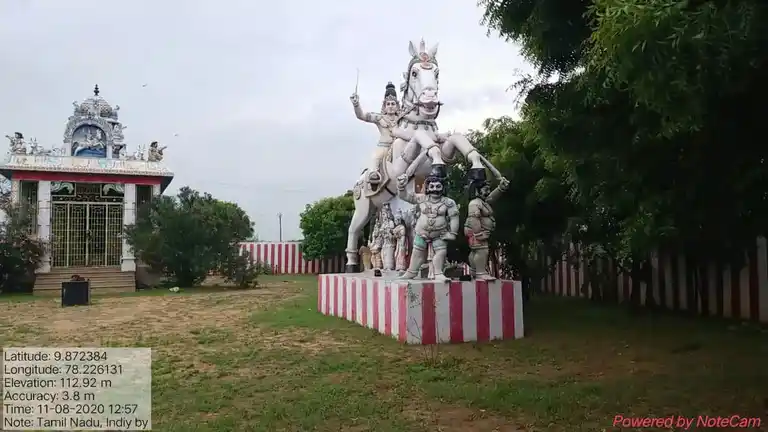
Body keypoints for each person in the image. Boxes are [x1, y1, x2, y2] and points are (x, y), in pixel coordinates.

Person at [395, 173, 459, 281]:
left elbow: (454, 218)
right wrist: (401, 186)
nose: (435, 189)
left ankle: (438, 273)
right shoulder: (422, 198)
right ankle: (411, 272)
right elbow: (405, 196)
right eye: (432, 186)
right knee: (417, 253)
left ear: (443, 187)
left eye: (438, 186)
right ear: (428, 187)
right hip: (421, 233)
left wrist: (452, 233)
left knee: (440, 253)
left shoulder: (449, 202)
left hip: (440, 234)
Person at [350, 82, 401, 185]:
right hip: (384, 148)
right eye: (388, 104)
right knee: (376, 158)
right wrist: (356, 104)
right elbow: (361, 116)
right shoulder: (379, 118)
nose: (390, 106)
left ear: (397, 106)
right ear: (384, 106)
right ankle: (374, 175)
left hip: (399, 147)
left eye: (393, 104)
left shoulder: (403, 119)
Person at [464, 169, 509, 280]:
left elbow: (492, 197)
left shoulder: (482, 202)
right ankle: (480, 272)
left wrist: (500, 188)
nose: (488, 192)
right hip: (475, 231)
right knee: (481, 250)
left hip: (476, 232)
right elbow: (474, 219)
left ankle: (475, 271)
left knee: (476, 250)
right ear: (477, 191)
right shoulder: (474, 203)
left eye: (488, 189)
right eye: (485, 190)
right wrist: (479, 233)